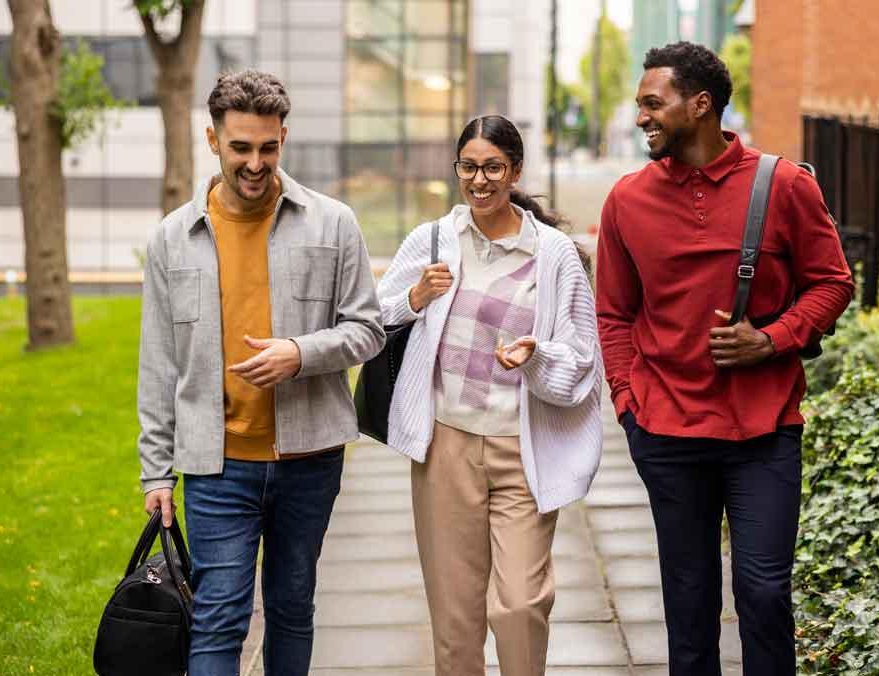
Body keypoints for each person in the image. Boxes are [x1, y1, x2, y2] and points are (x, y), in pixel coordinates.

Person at [595, 42, 854, 675]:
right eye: (639, 106)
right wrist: (628, 403)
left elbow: (833, 282)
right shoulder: (626, 201)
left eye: (653, 104)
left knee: (764, 593)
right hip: (664, 430)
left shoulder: (784, 185)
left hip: (763, 429)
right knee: (688, 605)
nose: (641, 118)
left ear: (700, 104)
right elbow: (615, 315)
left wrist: (773, 338)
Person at [136, 69, 385, 676]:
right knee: (219, 615)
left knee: (292, 606)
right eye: (241, 147)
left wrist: (300, 353)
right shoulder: (172, 238)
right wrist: (156, 472)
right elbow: (158, 364)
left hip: (310, 458)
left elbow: (368, 330)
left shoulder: (333, 223)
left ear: (283, 137)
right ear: (212, 139)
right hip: (216, 463)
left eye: (268, 147)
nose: (255, 163)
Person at [376, 114, 602, 676]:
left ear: (515, 171)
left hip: (521, 451)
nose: (480, 180)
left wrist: (537, 357)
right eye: (469, 167)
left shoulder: (554, 255)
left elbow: (582, 359)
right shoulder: (432, 241)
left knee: (522, 603)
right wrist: (414, 296)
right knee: (455, 619)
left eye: (493, 167)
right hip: (445, 449)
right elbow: (371, 319)